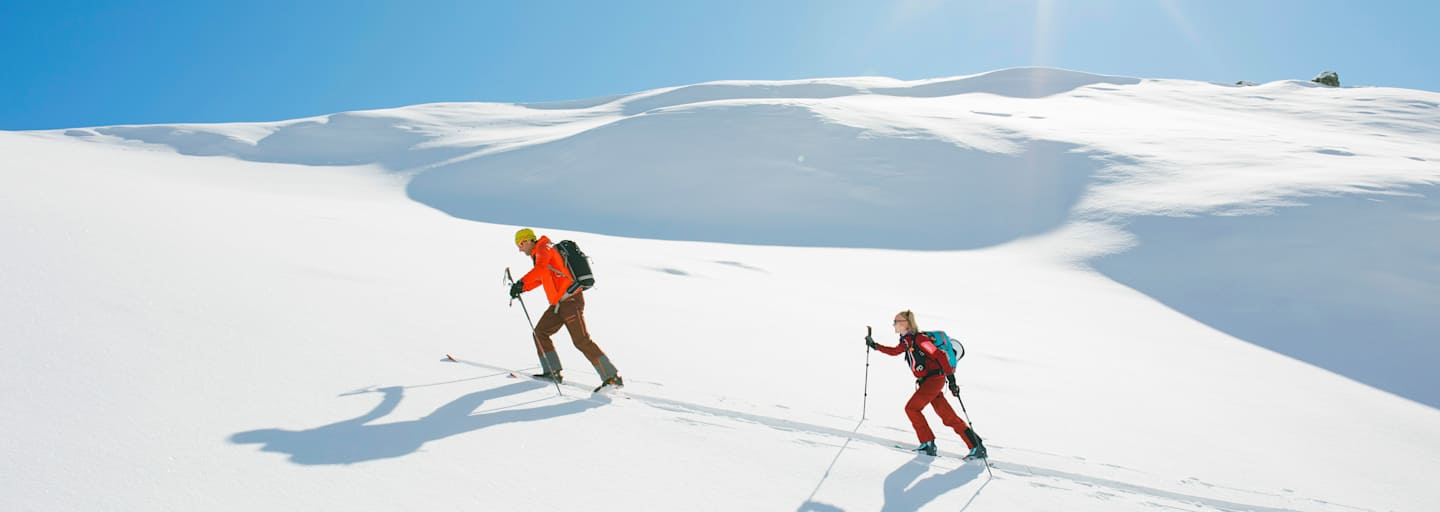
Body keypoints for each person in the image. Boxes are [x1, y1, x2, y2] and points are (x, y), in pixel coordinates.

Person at [510, 228, 622, 390]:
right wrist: (522, 288)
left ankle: (612, 377)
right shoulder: (540, 252)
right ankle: (552, 372)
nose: (519, 249)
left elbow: (540, 270)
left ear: (527, 240)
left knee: (581, 340)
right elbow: (541, 277)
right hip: (558, 305)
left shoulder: (543, 248)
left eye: (520, 245)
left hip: (570, 301)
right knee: (540, 332)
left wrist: (521, 282)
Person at [867, 309, 986, 459]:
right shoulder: (907, 341)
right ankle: (976, 446)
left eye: (897, 322)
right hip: (928, 382)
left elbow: (939, 355)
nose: (894, 325)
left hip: (934, 380)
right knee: (948, 417)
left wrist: (952, 381)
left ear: (906, 323)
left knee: (912, 408)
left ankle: (928, 443)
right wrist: (875, 346)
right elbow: (894, 351)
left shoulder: (920, 339)